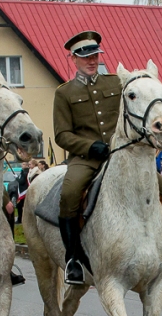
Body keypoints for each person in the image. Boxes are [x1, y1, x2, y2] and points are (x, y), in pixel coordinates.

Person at [52, 31, 121, 285]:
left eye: (94, 55)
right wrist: (90, 147)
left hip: (119, 155)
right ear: (73, 59)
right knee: (69, 194)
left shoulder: (115, 84)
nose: (91, 60)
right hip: (87, 158)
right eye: (85, 57)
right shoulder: (65, 93)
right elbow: (62, 135)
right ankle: (73, 259)